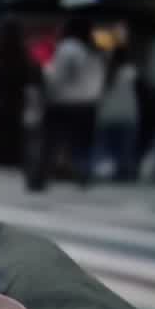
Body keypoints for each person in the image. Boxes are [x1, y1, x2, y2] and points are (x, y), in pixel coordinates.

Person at [0, 20, 42, 189]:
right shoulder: (25, 57)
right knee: (23, 145)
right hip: (18, 106)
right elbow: (35, 82)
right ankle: (33, 180)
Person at [40, 19, 105, 189]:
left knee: (52, 140)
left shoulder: (68, 48)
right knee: (83, 143)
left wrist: (47, 86)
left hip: (64, 102)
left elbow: (58, 76)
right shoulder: (93, 50)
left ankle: (44, 176)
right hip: (88, 103)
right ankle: (83, 174)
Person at [94, 46, 140, 182]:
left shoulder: (104, 72)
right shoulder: (130, 72)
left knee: (106, 148)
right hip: (127, 115)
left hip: (106, 115)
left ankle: (106, 171)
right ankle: (125, 172)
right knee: (125, 149)